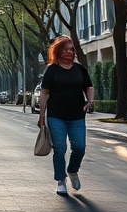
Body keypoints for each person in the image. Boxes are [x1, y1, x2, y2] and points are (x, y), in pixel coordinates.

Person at [37, 36, 93, 195]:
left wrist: (90, 101)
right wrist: (41, 116)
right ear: (58, 51)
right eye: (66, 49)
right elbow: (44, 94)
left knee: (79, 147)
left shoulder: (79, 69)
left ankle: (73, 170)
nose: (69, 52)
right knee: (60, 148)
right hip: (56, 116)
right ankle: (61, 180)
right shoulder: (51, 70)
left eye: (72, 49)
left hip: (77, 115)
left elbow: (88, 86)